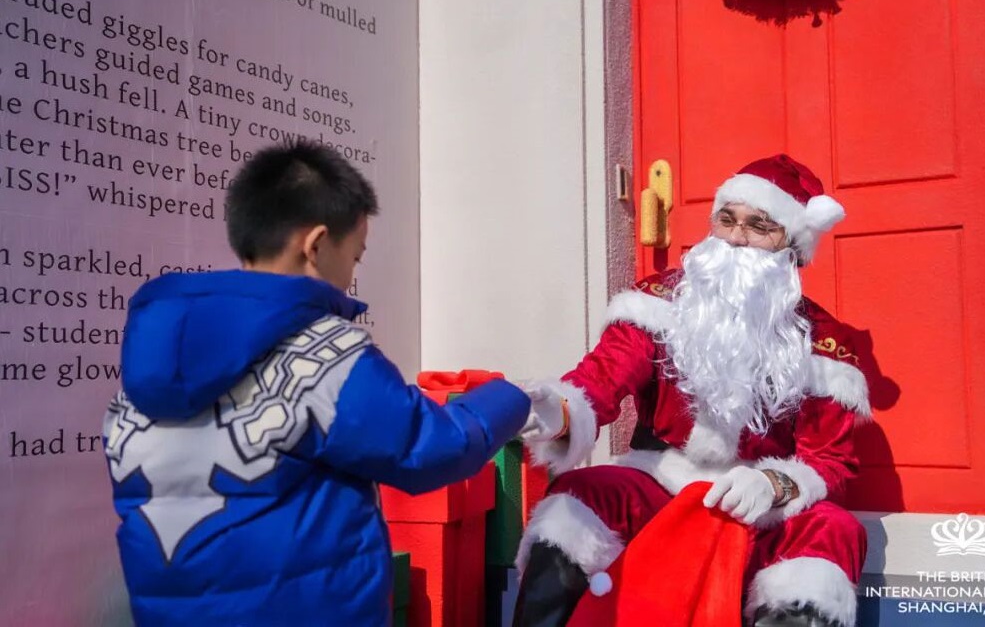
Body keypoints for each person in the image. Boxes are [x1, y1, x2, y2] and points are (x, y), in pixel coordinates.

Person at [103, 140, 531, 626]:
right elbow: (430, 448)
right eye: (356, 257)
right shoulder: (323, 352)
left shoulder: (144, 377)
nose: (351, 276)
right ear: (316, 244)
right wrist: (515, 397)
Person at [515, 155, 876, 627]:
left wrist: (775, 484)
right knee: (578, 499)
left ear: (792, 246)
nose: (737, 237)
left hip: (761, 500)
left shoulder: (824, 342)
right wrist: (559, 410)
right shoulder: (658, 303)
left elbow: (828, 459)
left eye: (759, 225)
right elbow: (602, 376)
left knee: (835, 530)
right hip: (662, 478)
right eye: (726, 220)